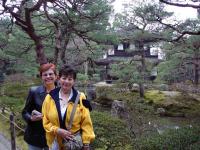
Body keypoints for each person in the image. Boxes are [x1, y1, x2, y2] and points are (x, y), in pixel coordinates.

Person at [42, 65, 95, 150]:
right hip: (54, 142)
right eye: (64, 78)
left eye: (70, 79)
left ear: (74, 81)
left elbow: (86, 122)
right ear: (59, 78)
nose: (66, 81)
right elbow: (45, 119)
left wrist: (86, 143)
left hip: (72, 144)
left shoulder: (80, 97)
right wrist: (57, 130)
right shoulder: (50, 97)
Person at [22, 63, 57, 150]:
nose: (48, 76)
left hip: (54, 137)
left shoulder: (62, 93)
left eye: (51, 74)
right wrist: (31, 118)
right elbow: (25, 112)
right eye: (45, 74)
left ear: (56, 76)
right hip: (35, 137)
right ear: (41, 77)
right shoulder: (34, 91)